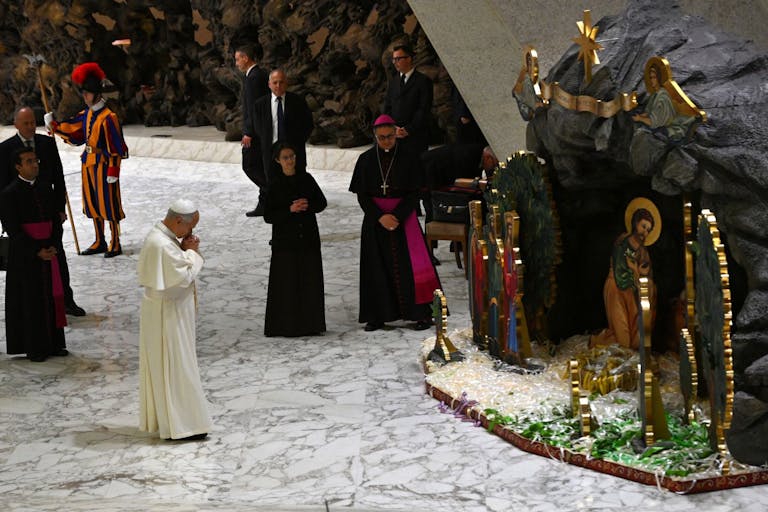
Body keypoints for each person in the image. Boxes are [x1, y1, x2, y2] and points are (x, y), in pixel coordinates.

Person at [349, 114, 441, 331]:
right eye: (382, 138)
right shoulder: (366, 160)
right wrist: (380, 216)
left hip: (404, 219)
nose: (386, 141)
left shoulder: (409, 157)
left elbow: (415, 192)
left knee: (411, 267)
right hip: (375, 220)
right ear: (375, 137)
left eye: (390, 136)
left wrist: (397, 216)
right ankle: (377, 316)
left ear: (395, 134)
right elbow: (362, 195)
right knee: (376, 268)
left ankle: (420, 314)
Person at [137, 199, 212, 441]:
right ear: (179, 220)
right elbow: (183, 278)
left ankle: (180, 422)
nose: (190, 232)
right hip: (167, 314)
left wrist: (186, 249)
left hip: (167, 311)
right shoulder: (162, 244)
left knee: (176, 366)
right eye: (189, 227)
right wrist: (192, 252)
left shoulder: (164, 238)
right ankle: (183, 425)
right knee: (176, 367)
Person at [0, 106, 85, 316]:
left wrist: (60, 208)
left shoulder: (46, 143)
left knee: (57, 256)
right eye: (26, 123)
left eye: (32, 122)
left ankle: (65, 300)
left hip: (47, 212)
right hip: (23, 216)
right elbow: (3, 185)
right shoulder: (5, 149)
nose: (31, 127)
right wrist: (7, 218)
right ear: (16, 125)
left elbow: (58, 177)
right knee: (28, 258)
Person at [45, 62, 129, 258]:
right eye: (83, 93)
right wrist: (55, 126)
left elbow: (116, 147)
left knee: (108, 204)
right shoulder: (87, 114)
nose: (84, 96)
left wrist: (113, 171)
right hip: (88, 164)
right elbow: (75, 130)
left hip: (104, 165)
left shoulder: (109, 117)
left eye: (87, 93)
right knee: (93, 202)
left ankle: (115, 241)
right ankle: (99, 240)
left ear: (97, 94)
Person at [0, 147, 69, 362]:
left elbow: (55, 220)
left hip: (49, 250)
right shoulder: (9, 194)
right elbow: (13, 229)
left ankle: (55, 344)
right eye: (29, 161)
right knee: (31, 301)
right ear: (18, 167)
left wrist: (54, 245)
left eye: (35, 160)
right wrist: (37, 251)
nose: (35, 164)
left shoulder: (45, 188)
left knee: (51, 297)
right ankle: (35, 347)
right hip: (25, 256)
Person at [264, 142, 327, 337]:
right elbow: (268, 215)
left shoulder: (306, 179)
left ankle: (311, 325)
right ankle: (286, 326)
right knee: (287, 283)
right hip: (286, 241)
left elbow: (321, 202)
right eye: (286, 157)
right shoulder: (273, 184)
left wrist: (307, 204)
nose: (290, 161)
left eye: (292, 156)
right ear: (278, 160)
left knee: (309, 281)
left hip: (308, 238)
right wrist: (289, 210)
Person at [590, 205, 658, 350]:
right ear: (635, 223)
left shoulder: (643, 251)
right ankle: (596, 341)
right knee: (623, 341)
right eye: (643, 226)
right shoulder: (622, 243)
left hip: (633, 293)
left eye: (648, 230)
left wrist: (643, 275)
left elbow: (647, 274)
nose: (645, 232)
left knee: (635, 341)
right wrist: (636, 271)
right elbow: (621, 273)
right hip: (617, 289)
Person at [252, 69, 314, 182]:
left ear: (286, 83)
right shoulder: (260, 105)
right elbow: (258, 128)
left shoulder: (298, 101)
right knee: (273, 183)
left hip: (294, 152)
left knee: (297, 182)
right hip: (271, 152)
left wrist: (297, 143)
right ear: (269, 84)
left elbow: (308, 124)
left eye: (281, 82)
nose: (278, 85)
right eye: (275, 82)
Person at [234, 44, 270, 217]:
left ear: (245, 58)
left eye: (237, 59)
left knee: (250, 165)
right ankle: (265, 202)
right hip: (259, 130)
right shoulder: (256, 75)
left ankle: (272, 193)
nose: (236, 63)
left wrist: (248, 132)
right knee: (258, 166)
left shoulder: (254, 77)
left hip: (256, 132)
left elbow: (254, 108)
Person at [384, 44, 433, 156]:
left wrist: (408, 129)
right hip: (395, 136)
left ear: (409, 58)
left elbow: (423, 109)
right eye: (394, 59)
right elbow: (388, 107)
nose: (395, 62)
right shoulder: (393, 82)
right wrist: (393, 128)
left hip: (416, 136)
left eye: (398, 59)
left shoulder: (423, 81)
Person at [631, 62, 697, 142]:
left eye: (654, 77)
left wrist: (640, 118)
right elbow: (649, 112)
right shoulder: (655, 94)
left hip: (669, 131)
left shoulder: (663, 97)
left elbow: (654, 123)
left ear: (659, 78)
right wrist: (639, 116)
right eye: (650, 78)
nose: (651, 80)